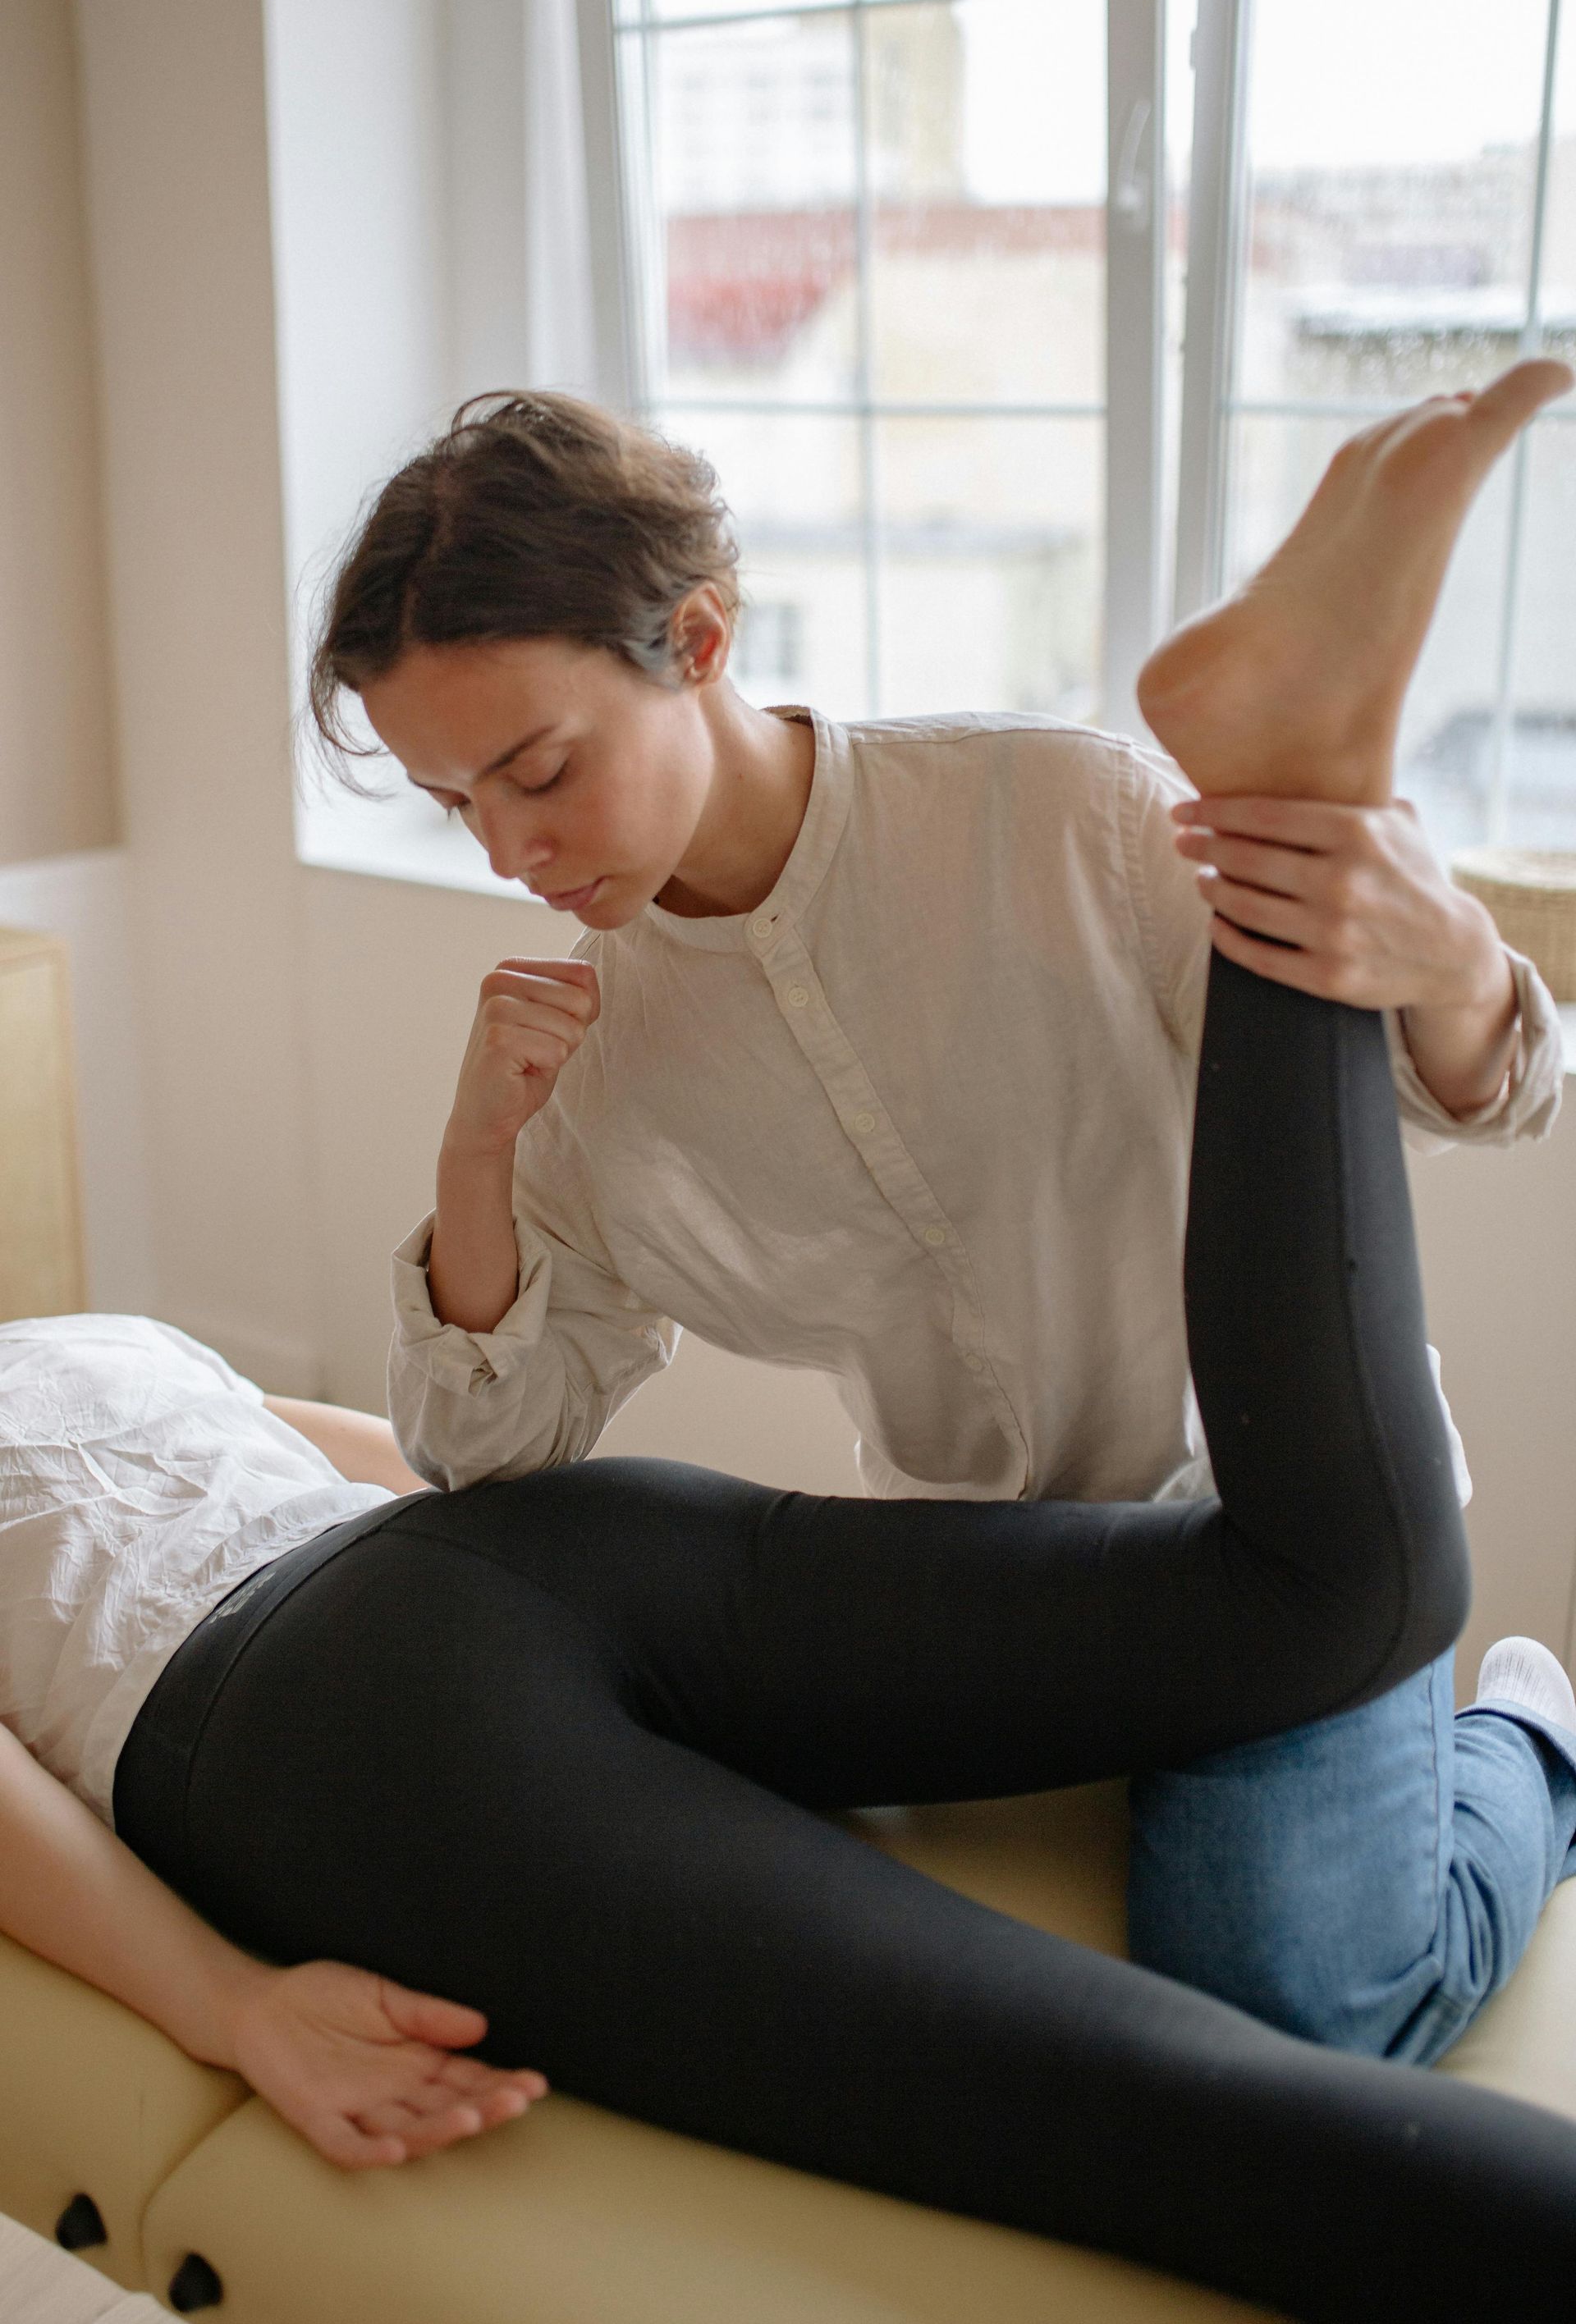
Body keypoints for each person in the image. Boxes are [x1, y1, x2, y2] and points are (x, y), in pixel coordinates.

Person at [309, 358, 1574, 2061]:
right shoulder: (591, 1068)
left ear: (696, 642)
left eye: (538, 770)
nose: (509, 853)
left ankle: (1531, 1743)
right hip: (998, 1586)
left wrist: (1459, 965)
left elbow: (1443, 1102)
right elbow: (496, 1463)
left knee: (1301, 2008)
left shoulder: (1055, 814)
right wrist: (476, 1162)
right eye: (459, 803)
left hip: (1289, 1513)